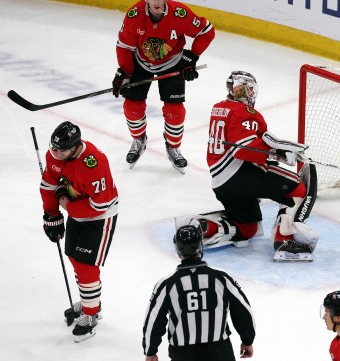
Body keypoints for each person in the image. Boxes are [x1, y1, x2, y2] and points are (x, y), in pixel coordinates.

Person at [205, 71, 319, 262]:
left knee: (248, 229)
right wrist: (278, 154)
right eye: (246, 89)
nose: (249, 93)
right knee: (299, 188)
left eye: (249, 89)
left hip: (220, 182)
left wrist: (278, 152)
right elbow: (243, 149)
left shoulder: (219, 107)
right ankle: (285, 239)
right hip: (240, 174)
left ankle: (206, 227)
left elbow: (247, 144)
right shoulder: (245, 112)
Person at [113, 0, 216, 174]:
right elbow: (124, 45)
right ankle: (139, 140)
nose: (156, 2)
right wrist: (124, 72)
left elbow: (207, 31)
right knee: (132, 107)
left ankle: (173, 146)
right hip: (141, 63)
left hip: (173, 63)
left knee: (175, 113)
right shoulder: (134, 15)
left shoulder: (180, 13)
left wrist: (191, 56)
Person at [40, 121, 119, 342]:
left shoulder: (94, 163)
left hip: (99, 217)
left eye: (62, 150)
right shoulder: (55, 155)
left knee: (86, 264)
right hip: (77, 211)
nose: (56, 153)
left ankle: (92, 314)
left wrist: (65, 205)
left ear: (75, 146)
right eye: (54, 148)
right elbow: (48, 184)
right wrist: (52, 214)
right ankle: (89, 303)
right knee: (74, 257)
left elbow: (100, 205)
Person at [142, 223, 255, 361]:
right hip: (219, 351)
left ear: (178, 250)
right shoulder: (221, 278)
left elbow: (154, 320)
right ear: (200, 246)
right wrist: (247, 340)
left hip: (183, 354)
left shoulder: (167, 284)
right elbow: (243, 310)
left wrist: (150, 351)